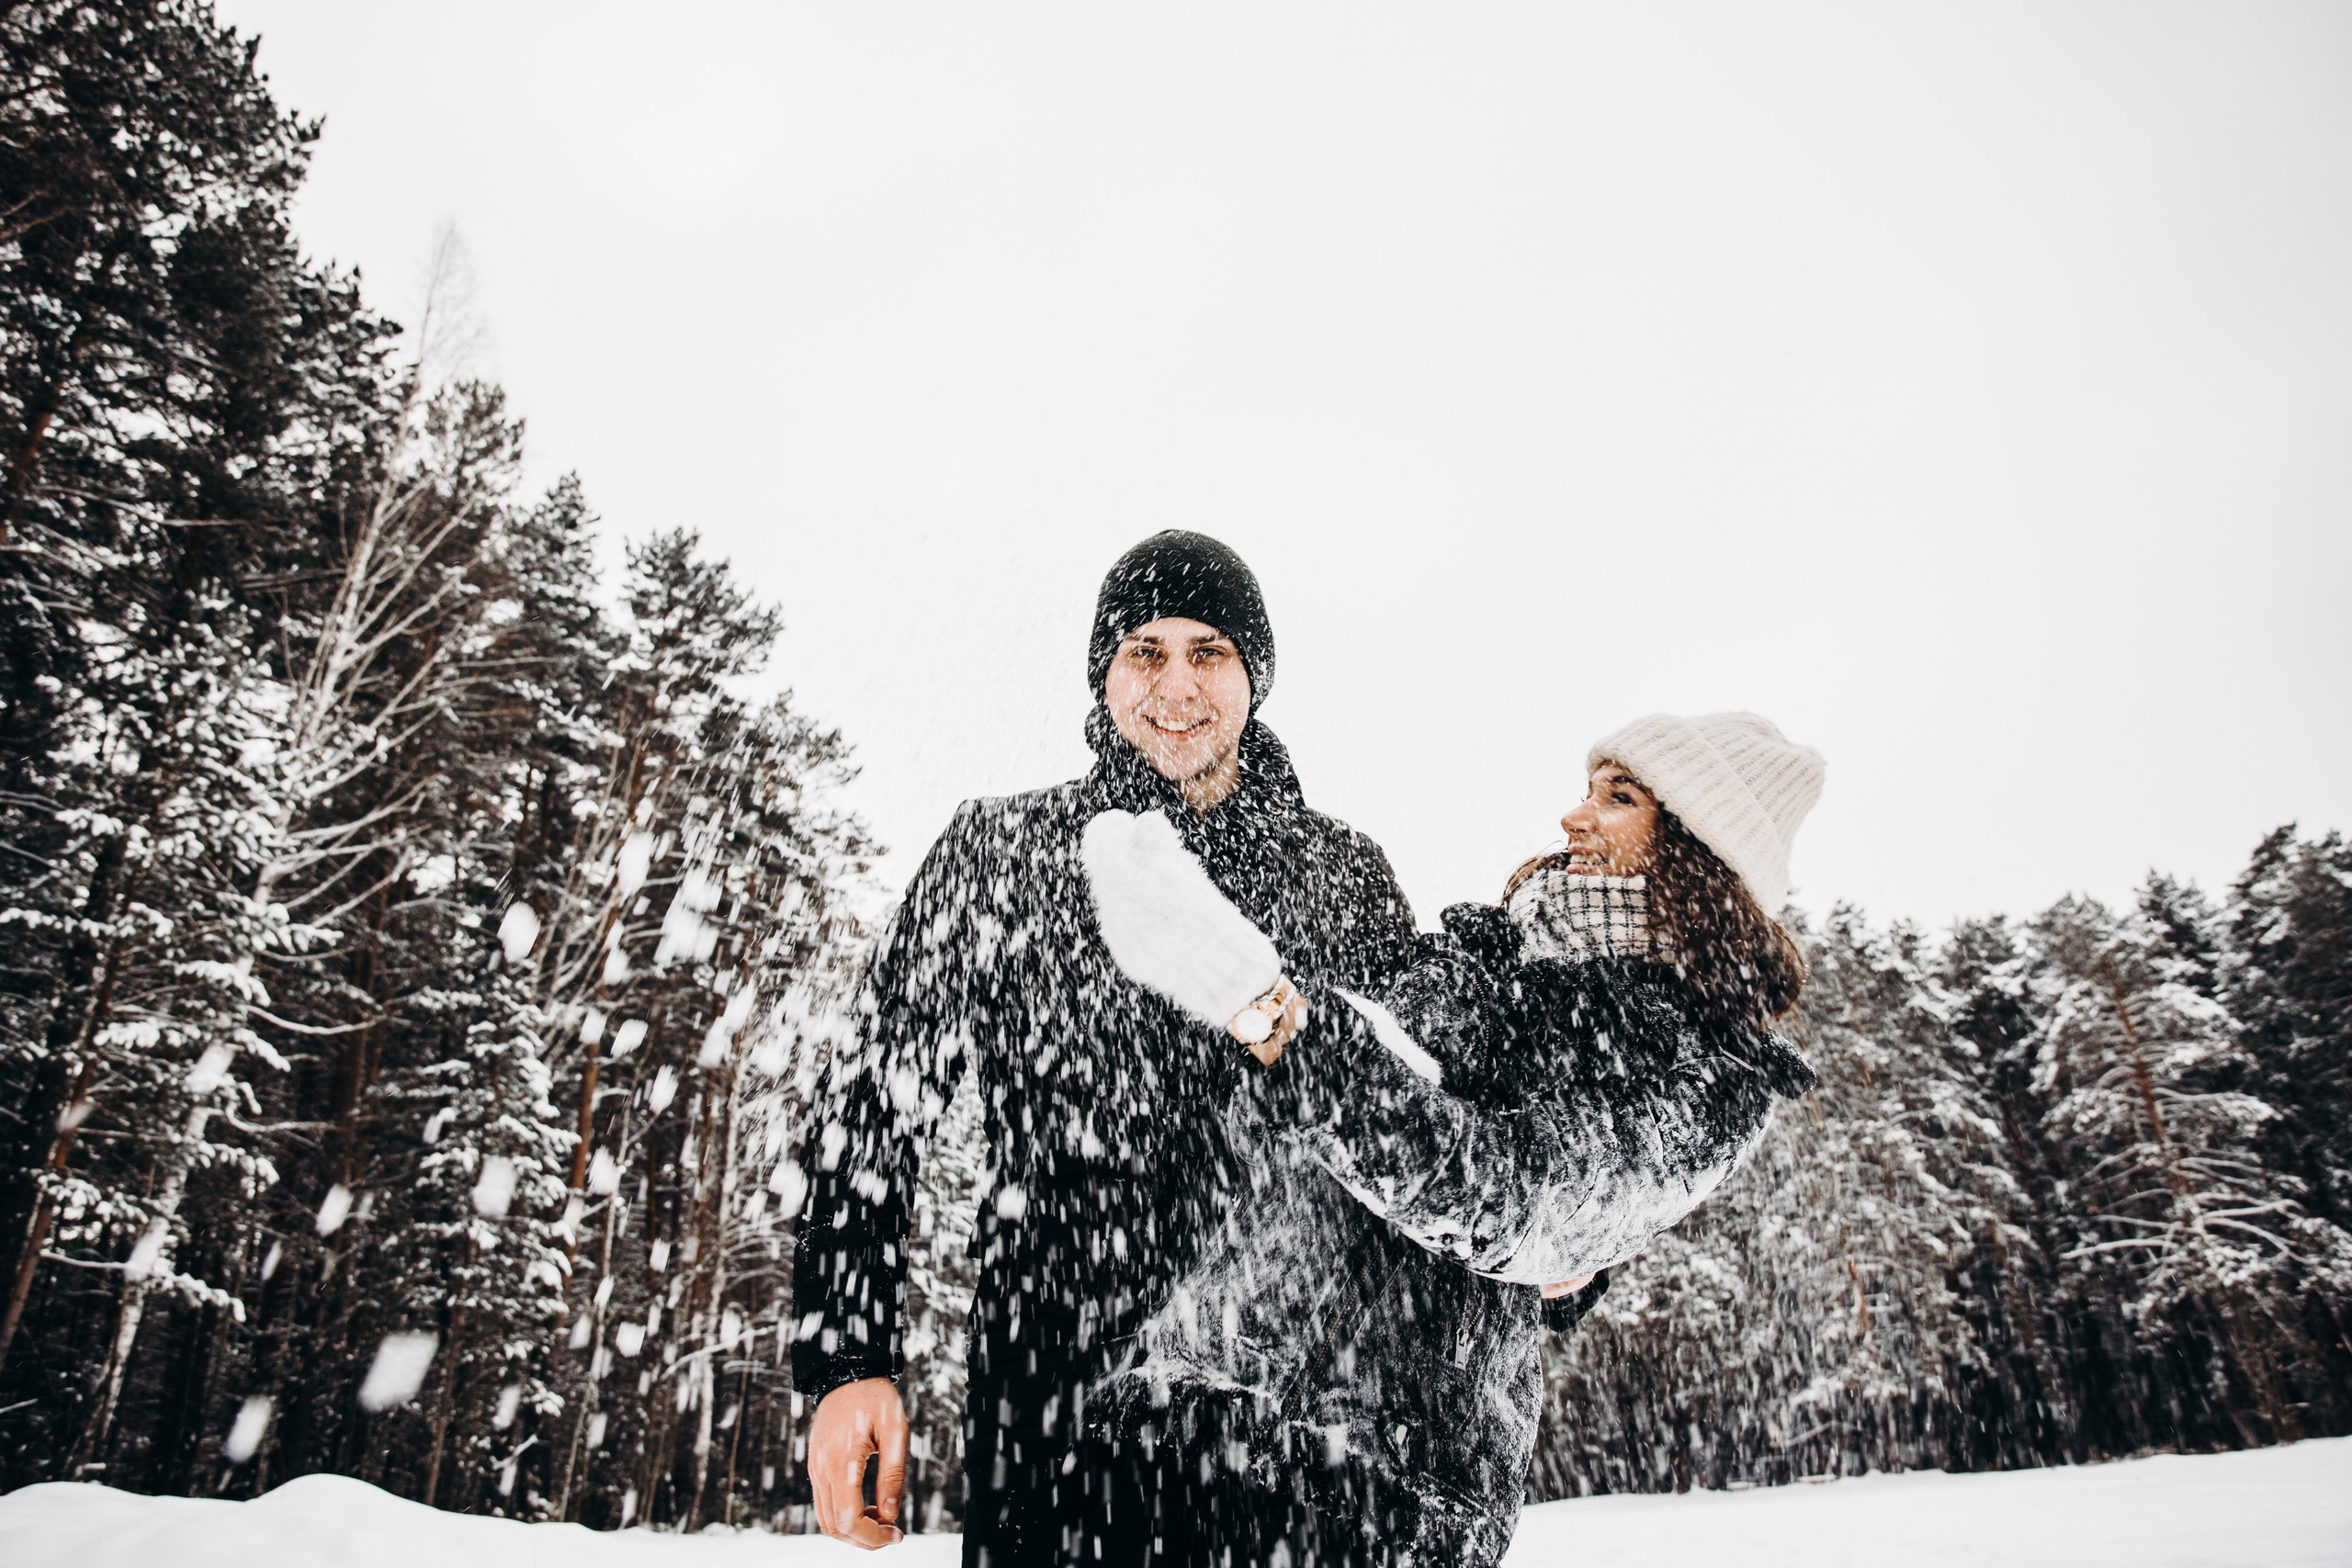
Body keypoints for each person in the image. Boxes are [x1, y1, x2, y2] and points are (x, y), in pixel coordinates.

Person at [791, 531, 1419, 1563]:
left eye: (1209, 651)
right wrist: (846, 1358)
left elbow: (1419, 1121)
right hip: (1056, 1437)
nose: (1177, 684)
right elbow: (872, 1111)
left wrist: (1548, 1271)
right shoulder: (1004, 853)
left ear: (1254, 677)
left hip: (1303, 1450)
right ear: (1105, 676)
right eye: (1145, 651)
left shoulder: (1341, 874)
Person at [1082, 711, 1826, 1565]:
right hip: (1175, 1424)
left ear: (1699, 845)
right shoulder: (1491, 957)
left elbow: (1509, 1195)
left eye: (1617, 798)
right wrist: (1229, 968)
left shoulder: (1711, 1069)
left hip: (1375, 1497)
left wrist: (1276, 1018)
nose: (1573, 817)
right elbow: (1346, 1086)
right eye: (1587, 790)